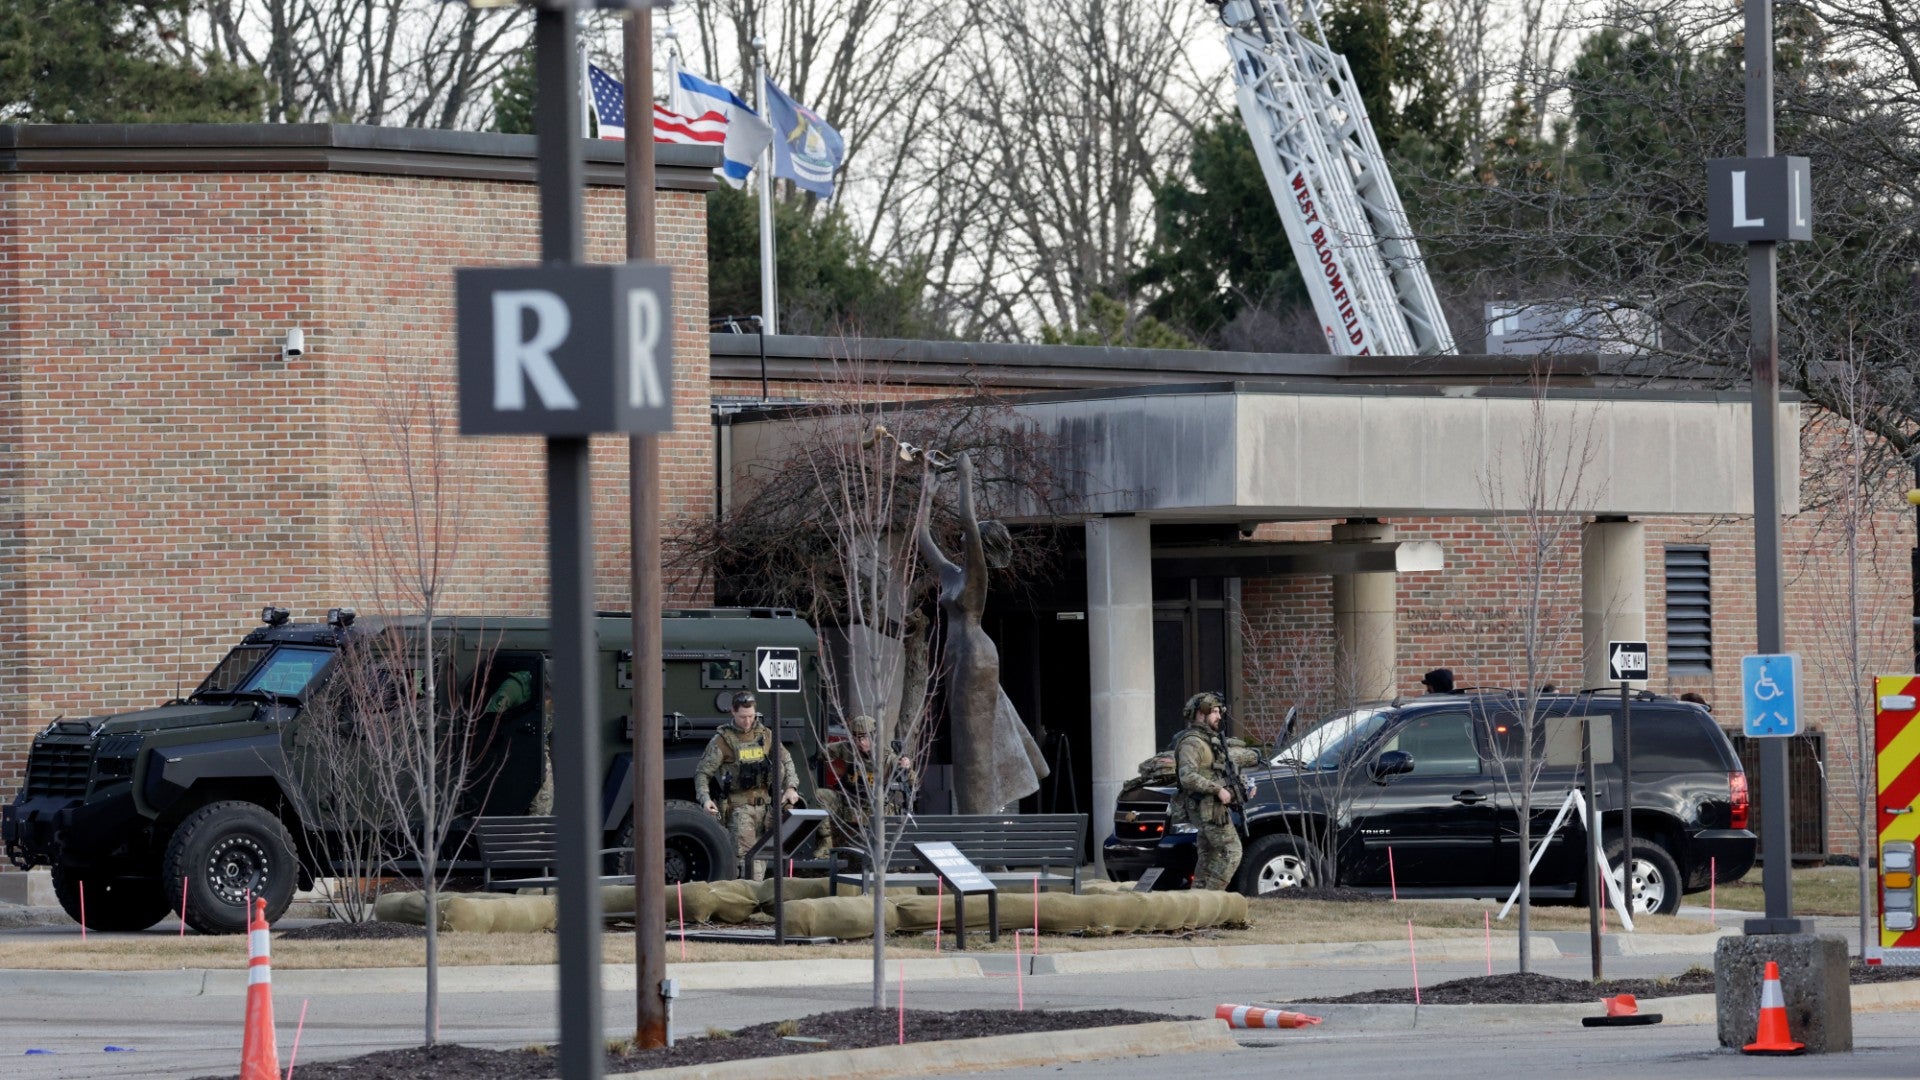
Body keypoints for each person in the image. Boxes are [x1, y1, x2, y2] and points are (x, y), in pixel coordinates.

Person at [694, 691, 799, 880]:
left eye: (751, 716)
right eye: (743, 717)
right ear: (733, 712)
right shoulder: (722, 741)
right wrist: (705, 799)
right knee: (748, 865)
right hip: (740, 809)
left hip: (766, 808)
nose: (747, 721)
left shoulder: (766, 736)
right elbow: (702, 773)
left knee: (764, 859)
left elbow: (787, 760)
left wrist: (791, 787)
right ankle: (752, 901)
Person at [813, 714, 915, 856]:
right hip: (848, 802)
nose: (859, 742)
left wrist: (906, 767)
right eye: (854, 737)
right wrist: (829, 763)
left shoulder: (886, 757)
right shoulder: (847, 749)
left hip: (873, 808)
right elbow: (823, 752)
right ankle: (826, 844)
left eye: (863, 737)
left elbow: (909, 778)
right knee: (821, 795)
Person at [1170, 692, 1242, 892]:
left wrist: (1236, 790)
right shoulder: (1192, 743)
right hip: (1205, 808)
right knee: (1231, 851)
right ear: (1201, 714)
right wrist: (1218, 789)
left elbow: (1215, 772)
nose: (1219, 716)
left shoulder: (1209, 741)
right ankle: (1210, 900)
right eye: (1215, 712)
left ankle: (1198, 902)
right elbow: (1187, 776)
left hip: (1212, 808)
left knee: (1209, 855)